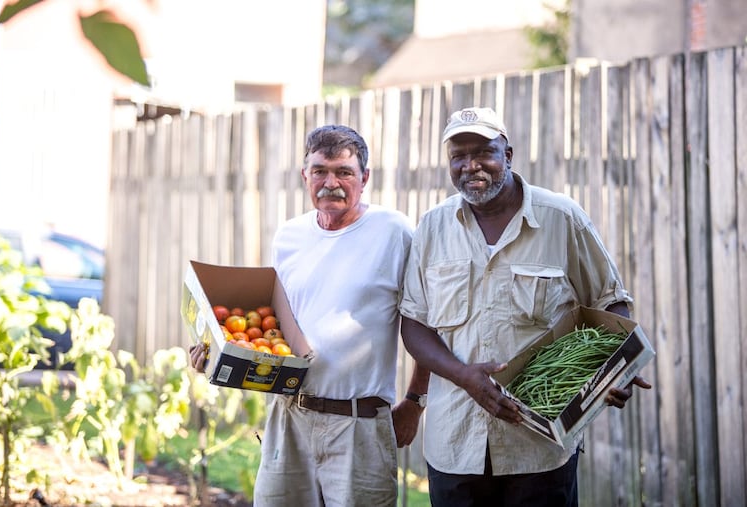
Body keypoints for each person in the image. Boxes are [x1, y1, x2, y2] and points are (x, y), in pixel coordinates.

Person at [399, 107, 652, 507]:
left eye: (484, 151)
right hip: (455, 445)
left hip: (540, 449)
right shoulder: (433, 226)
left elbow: (610, 303)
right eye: (458, 156)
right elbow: (415, 324)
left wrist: (616, 368)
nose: (471, 165)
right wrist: (465, 377)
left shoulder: (561, 218)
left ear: (508, 154)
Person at [190, 124, 429, 506]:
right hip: (289, 417)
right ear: (305, 176)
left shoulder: (394, 231)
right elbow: (275, 331)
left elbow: (424, 320)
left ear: (364, 178)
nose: (330, 182)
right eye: (320, 171)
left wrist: (415, 402)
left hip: (359, 425)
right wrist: (220, 354)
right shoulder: (289, 236)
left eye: (344, 172)